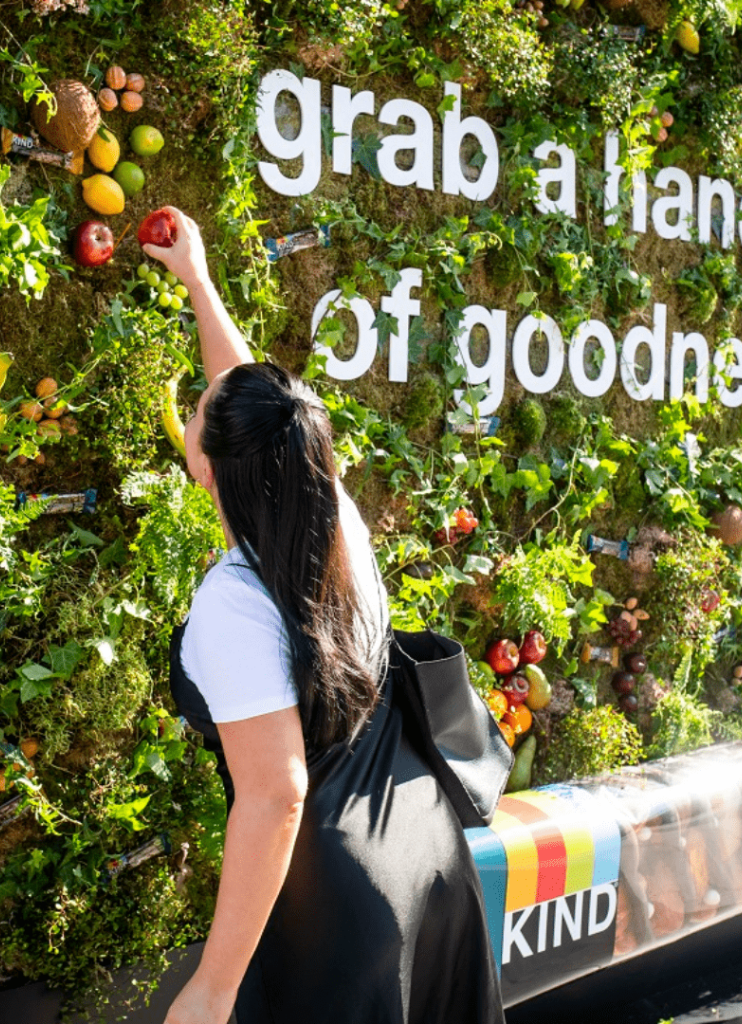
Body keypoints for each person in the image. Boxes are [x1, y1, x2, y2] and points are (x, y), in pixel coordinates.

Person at [141, 208, 506, 1024]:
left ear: (210, 465)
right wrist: (198, 284)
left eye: (198, 412)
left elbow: (276, 796)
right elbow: (257, 411)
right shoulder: (334, 517)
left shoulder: (235, 605)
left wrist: (215, 986)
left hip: (334, 902)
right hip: (425, 852)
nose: (194, 413)